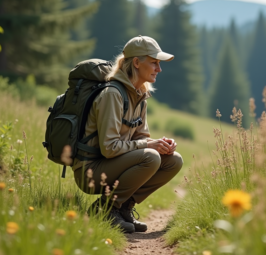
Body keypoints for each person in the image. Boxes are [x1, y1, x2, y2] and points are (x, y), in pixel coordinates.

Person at [72, 36, 183, 233]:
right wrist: (149, 146)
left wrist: (160, 144)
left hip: (112, 165)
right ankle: (105, 210)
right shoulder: (112, 95)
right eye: (154, 63)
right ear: (137, 63)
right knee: (150, 157)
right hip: (90, 170)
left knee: (173, 160)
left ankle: (122, 208)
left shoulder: (140, 96)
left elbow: (141, 138)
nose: (159, 69)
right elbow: (109, 148)